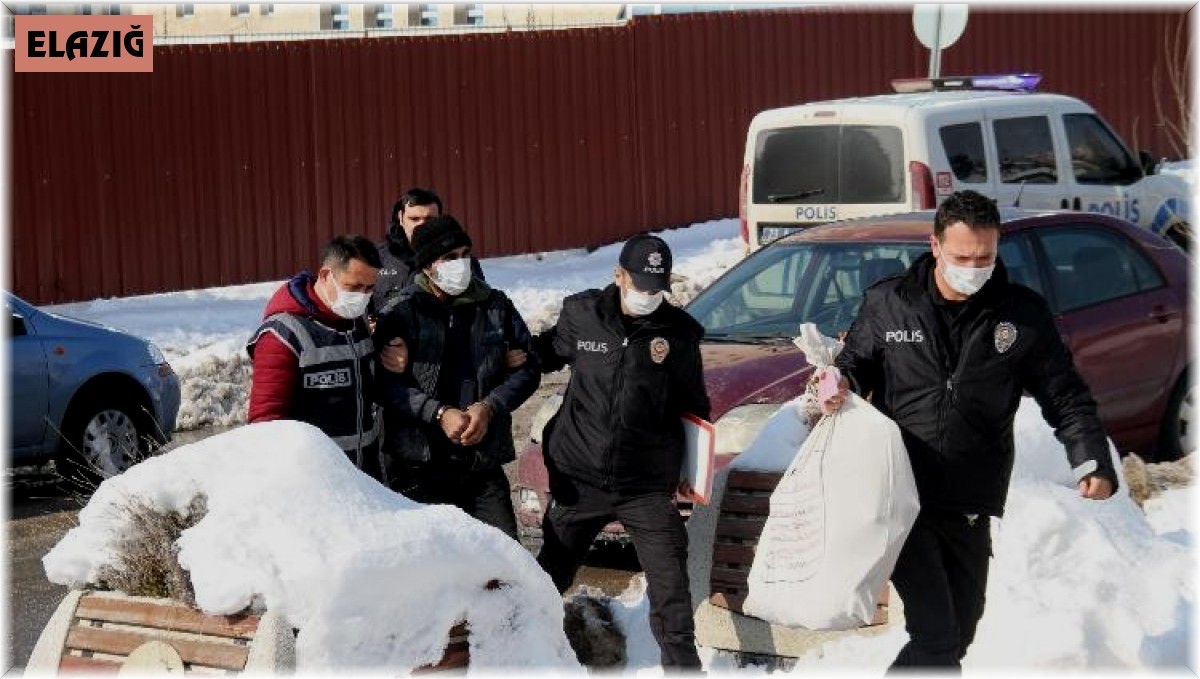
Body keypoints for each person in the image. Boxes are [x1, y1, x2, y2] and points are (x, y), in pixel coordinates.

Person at [829, 189, 1117, 670]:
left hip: (970, 496)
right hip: (901, 494)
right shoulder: (890, 303)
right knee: (937, 637)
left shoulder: (1020, 315)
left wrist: (1090, 458)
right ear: (935, 245)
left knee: (960, 633)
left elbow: (1065, 395)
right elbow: (854, 367)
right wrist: (837, 384)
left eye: (985, 255)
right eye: (963, 255)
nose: (974, 266)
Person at [531, 234, 710, 669]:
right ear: (619, 275)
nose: (648, 294)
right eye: (641, 283)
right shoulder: (582, 313)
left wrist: (693, 466)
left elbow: (695, 406)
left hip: (645, 486)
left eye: (657, 287)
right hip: (580, 480)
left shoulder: (680, 334)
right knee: (542, 582)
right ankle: (523, 661)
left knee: (671, 590)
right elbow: (542, 354)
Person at [373, 215, 540, 539]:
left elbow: (529, 368)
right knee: (431, 567)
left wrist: (490, 406)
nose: (461, 263)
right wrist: (437, 413)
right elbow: (383, 384)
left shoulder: (496, 306)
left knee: (504, 564)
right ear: (427, 266)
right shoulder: (401, 313)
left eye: (465, 254)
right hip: (420, 467)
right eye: (450, 258)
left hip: (480, 464)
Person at [247, 235, 405, 482]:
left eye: (369, 289)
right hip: (316, 483)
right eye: (353, 287)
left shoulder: (357, 322)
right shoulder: (282, 335)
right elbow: (266, 423)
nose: (361, 297)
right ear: (324, 275)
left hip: (366, 476)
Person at [373, 188, 485, 317]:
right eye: (414, 219)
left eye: (429, 219)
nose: (421, 226)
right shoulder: (376, 259)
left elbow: (482, 306)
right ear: (400, 218)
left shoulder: (460, 260)